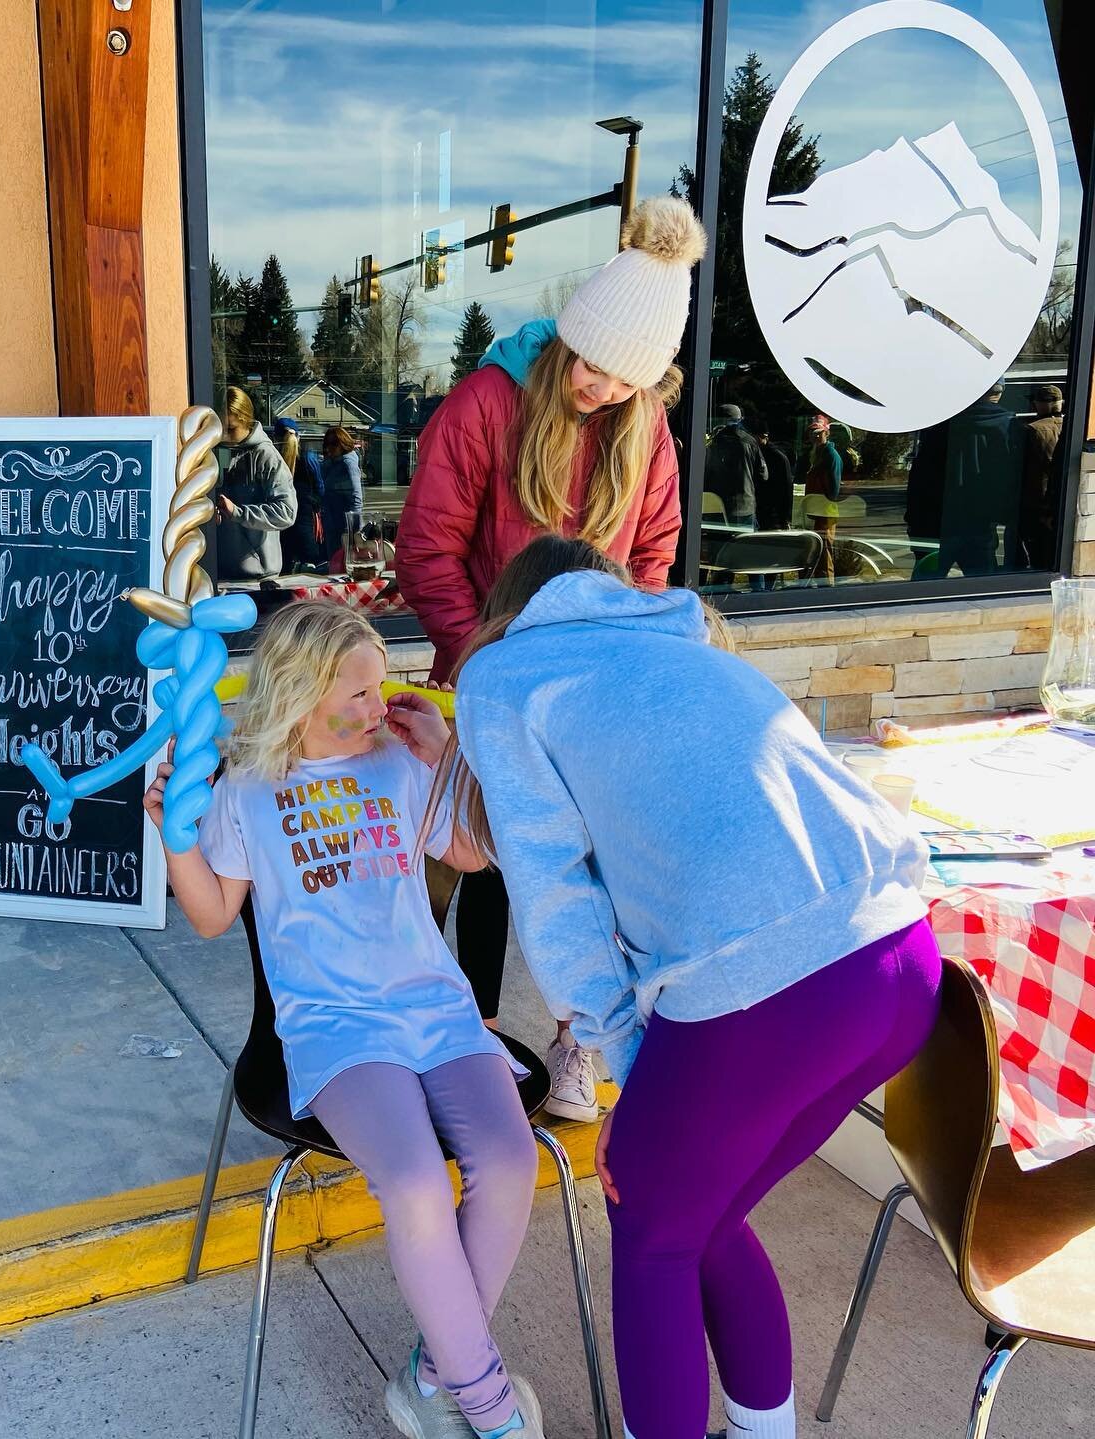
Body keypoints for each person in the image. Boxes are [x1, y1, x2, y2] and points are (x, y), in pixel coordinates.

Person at [430, 534, 938, 1439]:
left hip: (770, 985)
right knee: (703, 1217)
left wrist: (630, 1065)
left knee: (652, 1223)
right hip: (900, 960)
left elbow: (554, 899)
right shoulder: (680, 644)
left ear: (510, 609)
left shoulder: (503, 676)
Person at [147, 601, 544, 1439]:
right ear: (297, 694)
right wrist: (170, 829)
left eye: (379, 687)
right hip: (338, 1027)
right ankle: (488, 1404)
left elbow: (472, 854)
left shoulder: (398, 764)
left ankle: (436, 1371)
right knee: (413, 1183)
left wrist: (451, 755)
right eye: (359, 694)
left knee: (510, 1162)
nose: (378, 706)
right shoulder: (249, 791)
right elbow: (215, 913)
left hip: (437, 1011)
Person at [397, 196, 705, 1121]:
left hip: (593, 689)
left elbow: (653, 555)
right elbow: (428, 545)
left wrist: (627, 658)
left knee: (601, 865)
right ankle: (464, 1027)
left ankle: (581, 1039)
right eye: (593, 365)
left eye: (624, 380)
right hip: (490, 665)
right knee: (472, 856)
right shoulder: (488, 400)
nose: (601, 388)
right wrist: (478, 655)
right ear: (569, 336)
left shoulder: (644, 428)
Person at [933, 381, 1023, 578]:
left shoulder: (947, 423)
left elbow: (925, 470)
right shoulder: (1008, 425)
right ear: (999, 393)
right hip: (981, 520)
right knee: (982, 585)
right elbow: (1011, 477)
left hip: (942, 518)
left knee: (923, 585)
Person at [217, 387, 296, 582]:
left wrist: (237, 512)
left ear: (246, 421)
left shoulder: (266, 456)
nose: (225, 435)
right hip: (220, 571)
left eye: (231, 429)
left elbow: (287, 512)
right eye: (221, 428)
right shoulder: (214, 451)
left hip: (259, 578)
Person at [1020, 383, 1064, 570]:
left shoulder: (1032, 430)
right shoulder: (1072, 426)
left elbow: (1025, 470)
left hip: (1036, 503)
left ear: (1039, 404)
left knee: (1033, 553)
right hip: (1058, 502)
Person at [271, 419, 324, 571]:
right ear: (298, 437)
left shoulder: (274, 460)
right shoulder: (308, 458)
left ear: (275, 438)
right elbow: (320, 488)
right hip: (305, 519)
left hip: (281, 522)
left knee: (284, 566)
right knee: (311, 568)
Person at [796, 414, 843, 582]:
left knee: (825, 552)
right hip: (814, 511)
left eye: (819, 433)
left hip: (826, 511)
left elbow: (834, 490)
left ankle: (827, 587)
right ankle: (815, 582)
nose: (815, 437)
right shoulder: (815, 454)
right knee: (814, 550)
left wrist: (822, 500)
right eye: (812, 433)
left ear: (827, 433)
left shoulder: (831, 454)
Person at [703, 403, 765, 527]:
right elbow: (763, 474)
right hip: (744, 505)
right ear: (740, 420)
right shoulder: (749, 441)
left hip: (715, 505)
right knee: (743, 544)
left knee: (718, 544)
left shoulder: (712, 442)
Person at [320, 425, 364, 565]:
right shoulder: (331, 463)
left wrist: (353, 529)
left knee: (343, 564)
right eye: (327, 444)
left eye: (334, 444)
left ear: (343, 443)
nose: (329, 448)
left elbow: (356, 497)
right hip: (332, 523)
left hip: (344, 526)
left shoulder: (347, 464)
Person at [752, 424, 794, 531]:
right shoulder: (756, 452)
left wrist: (786, 517)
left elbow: (787, 488)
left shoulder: (778, 457)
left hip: (773, 510)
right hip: (762, 507)